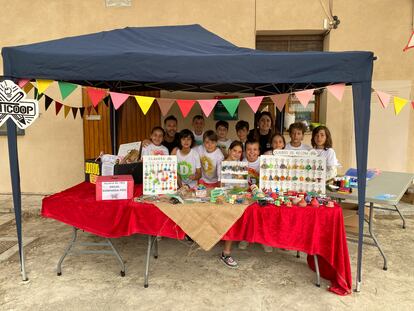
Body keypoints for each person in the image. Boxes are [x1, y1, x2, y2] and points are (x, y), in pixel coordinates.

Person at [238, 140, 273, 253]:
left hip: (262, 194)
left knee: (264, 215)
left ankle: (264, 240)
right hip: (246, 193)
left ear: (259, 151)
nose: (251, 152)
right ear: (245, 151)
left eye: (255, 149)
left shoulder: (264, 162)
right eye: (249, 149)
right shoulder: (242, 163)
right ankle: (245, 238)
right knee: (246, 215)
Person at [220, 141, 244, 268]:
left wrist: (239, 182)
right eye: (234, 150)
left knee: (234, 221)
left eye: (239, 152)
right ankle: (226, 253)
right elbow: (221, 185)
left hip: (237, 196)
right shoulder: (223, 164)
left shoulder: (241, 165)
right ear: (229, 151)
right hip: (224, 197)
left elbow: (241, 186)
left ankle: (227, 251)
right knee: (230, 221)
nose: (236, 154)